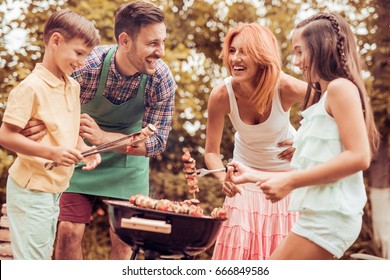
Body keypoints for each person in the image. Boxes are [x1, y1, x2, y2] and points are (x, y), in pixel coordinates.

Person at [225, 12, 380, 260]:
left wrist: (289, 183)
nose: (296, 62)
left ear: (322, 48)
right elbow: (320, 165)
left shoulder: (341, 88)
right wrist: (253, 175)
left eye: (300, 52)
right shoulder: (325, 98)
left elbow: (359, 156)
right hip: (315, 216)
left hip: (329, 219)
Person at [51, 1, 176, 260]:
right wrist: (80, 141)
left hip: (128, 162)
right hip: (81, 153)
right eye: (153, 43)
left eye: (162, 42)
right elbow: (53, 112)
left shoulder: (161, 79)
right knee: (68, 231)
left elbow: (157, 142)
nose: (161, 52)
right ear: (125, 40)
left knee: (124, 238)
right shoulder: (87, 67)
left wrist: (105, 138)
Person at [0, 9, 101, 259]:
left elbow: (69, 128)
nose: (82, 61)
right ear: (56, 41)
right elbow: (6, 136)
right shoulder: (30, 88)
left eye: (86, 56)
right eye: (78, 53)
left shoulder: (72, 86)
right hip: (31, 188)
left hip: (55, 188)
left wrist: (84, 149)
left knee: (41, 258)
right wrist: (52, 152)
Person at [204, 23, 307, 260]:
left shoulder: (284, 86)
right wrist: (224, 178)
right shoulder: (221, 95)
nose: (235, 59)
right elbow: (211, 151)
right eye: (232, 51)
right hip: (244, 180)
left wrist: (304, 140)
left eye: (244, 51)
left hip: (286, 180)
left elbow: (331, 103)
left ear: (262, 56)